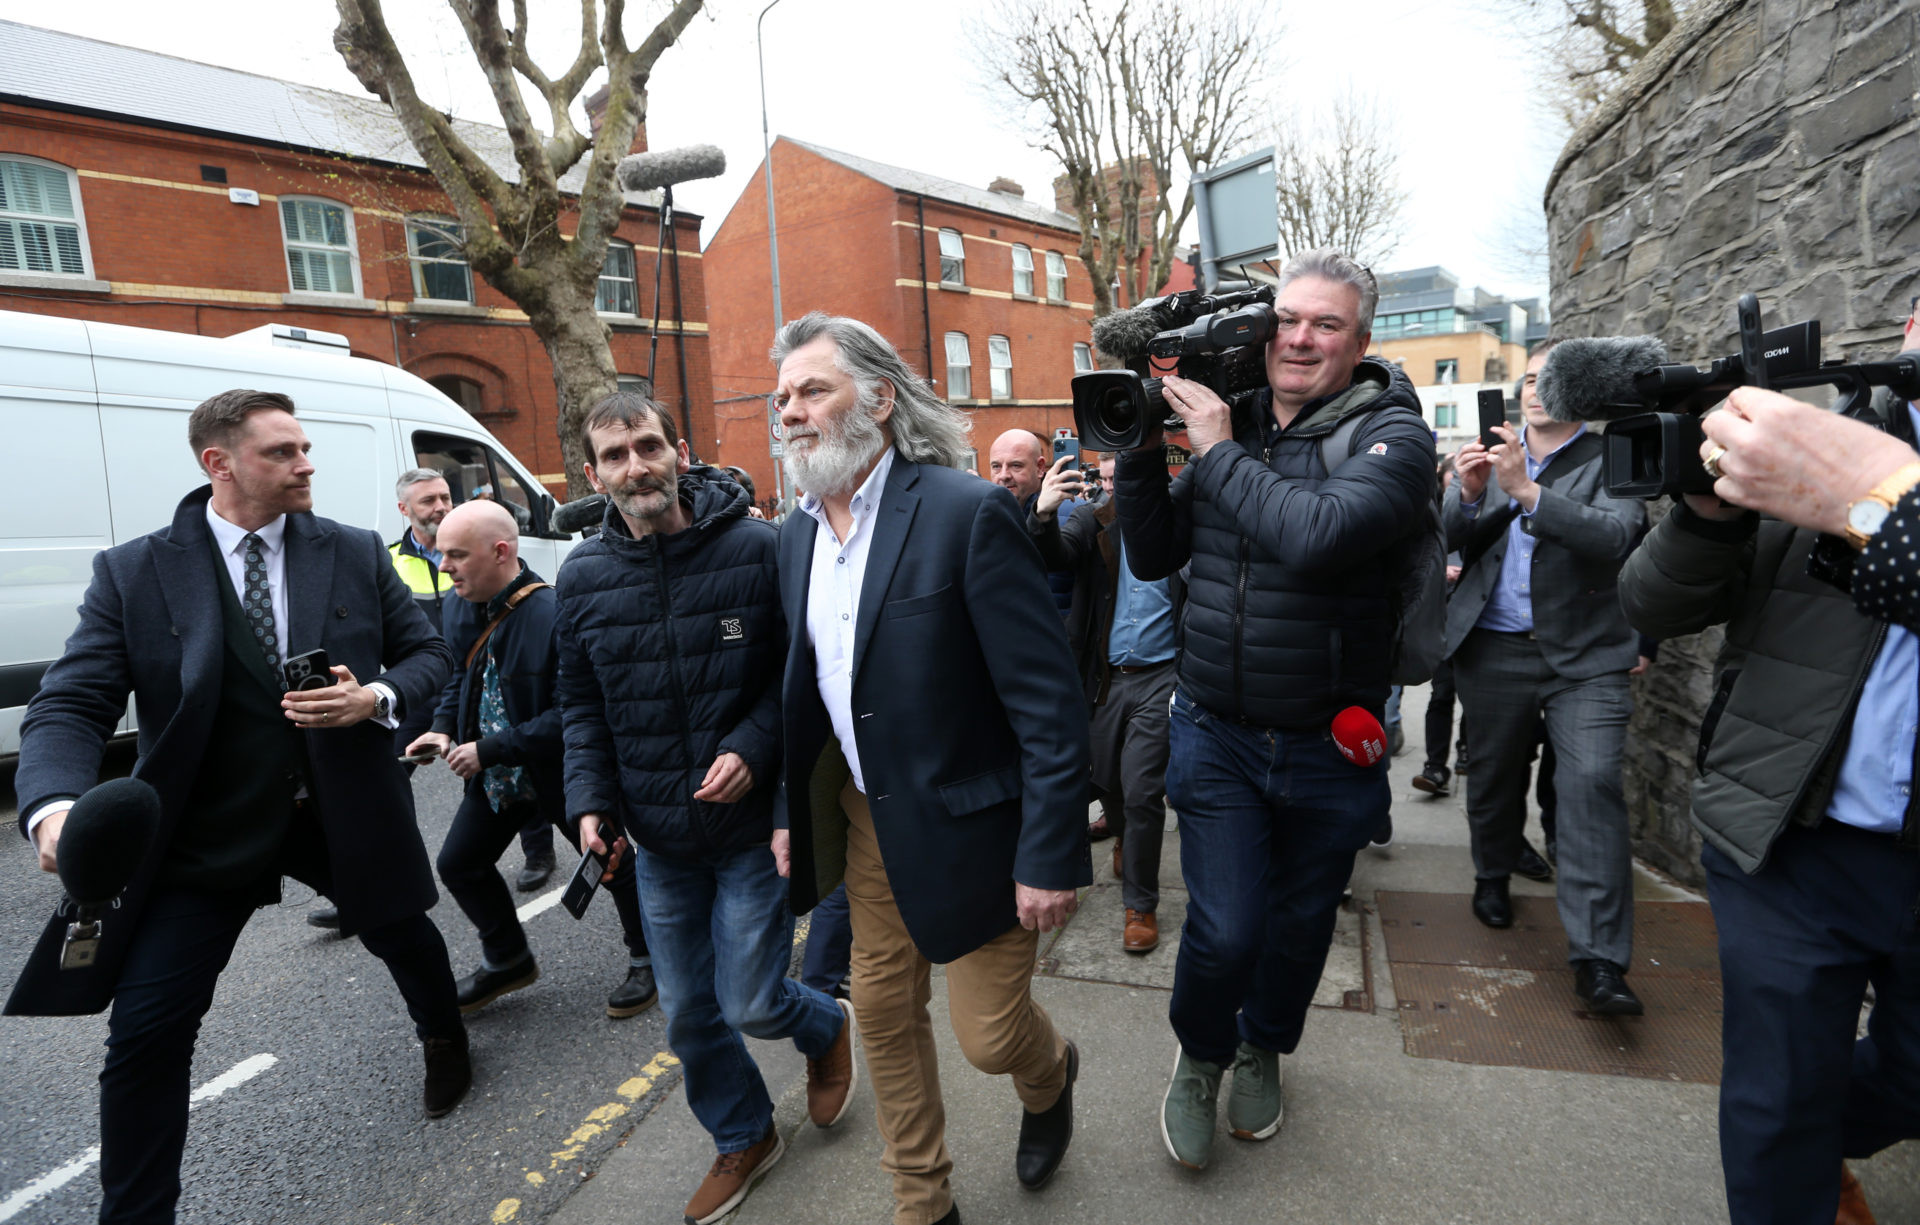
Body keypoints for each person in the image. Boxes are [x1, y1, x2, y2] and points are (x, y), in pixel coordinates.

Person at [12, 389, 466, 1223]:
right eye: (283, 452)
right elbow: (70, 703)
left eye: (304, 447)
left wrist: (376, 696)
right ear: (218, 463)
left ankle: (443, 1033)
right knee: (146, 1033)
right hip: (204, 827)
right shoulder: (136, 570)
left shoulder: (357, 550)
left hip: (343, 810)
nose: (307, 463)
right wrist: (54, 807)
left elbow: (428, 652)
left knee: (404, 930)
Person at [1113, 248, 1435, 1172]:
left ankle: (1263, 1046)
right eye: (1285, 320)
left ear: (1360, 340)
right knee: (1225, 928)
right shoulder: (1238, 420)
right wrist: (1140, 447)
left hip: (1332, 740)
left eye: (1324, 324)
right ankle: (1202, 1055)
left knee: (1298, 930)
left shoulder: (1394, 436)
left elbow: (1318, 534)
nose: (1297, 338)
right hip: (1213, 727)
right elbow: (1153, 550)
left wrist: (1212, 449)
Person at [771, 312, 1091, 1225]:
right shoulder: (793, 536)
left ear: (877, 398)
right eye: (784, 395)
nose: (791, 412)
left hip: (978, 829)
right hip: (867, 819)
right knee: (879, 1005)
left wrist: (1051, 851)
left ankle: (1051, 1071)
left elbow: (1047, 700)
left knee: (989, 1037)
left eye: (813, 390)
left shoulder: (964, 511)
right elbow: (811, 694)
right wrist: (795, 810)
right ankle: (923, 1200)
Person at [1622, 314, 1920, 1225]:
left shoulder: (1852, 465)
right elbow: (1652, 601)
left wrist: (1873, 504)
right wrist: (1707, 511)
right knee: (1776, 1097)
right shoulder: (1822, 432)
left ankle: (1831, 1138)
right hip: (1790, 838)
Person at [556, 391, 855, 1225]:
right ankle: (744, 1132)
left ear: (679, 451)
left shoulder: (756, 547)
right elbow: (581, 705)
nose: (635, 467)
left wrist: (755, 747)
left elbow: (800, 674)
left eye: (647, 446)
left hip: (750, 830)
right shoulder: (581, 575)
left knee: (754, 1001)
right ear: (593, 473)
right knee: (689, 1013)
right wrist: (589, 803)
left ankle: (825, 1023)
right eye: (614, 456)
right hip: (658, 839)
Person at [1445, 342, 1646, 1012]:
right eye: (1529, 378)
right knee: (1496, 774)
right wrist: (1470, 495)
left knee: (1590, 784)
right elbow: (1443, 533)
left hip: (1587, 656)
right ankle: (1492, 871)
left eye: (1551, 379)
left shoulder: (1611, 454)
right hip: (1494, 647)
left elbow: (1616, 536)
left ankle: (1599, 960)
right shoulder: (1490, 448)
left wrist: (1527, 492)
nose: (1537, 389)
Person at [406, 499, 657, 1021]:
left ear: (500, 552)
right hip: (499, 778)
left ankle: (648, 958)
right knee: (460, 864)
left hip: (561, 772)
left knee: (610, 864)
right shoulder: (459, 603)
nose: (443, 566)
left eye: (455, 555)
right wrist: (441, 728)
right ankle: (508, 959)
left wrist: (489, 749)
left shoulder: (553, 613)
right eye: (440, 554)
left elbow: (577, 714)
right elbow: (462, 676)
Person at [1031, 453, 1183, 952]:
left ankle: (1140, 905)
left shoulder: (1181, 525)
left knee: (1143, 791)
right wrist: (1044, 514)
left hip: (1160, 677)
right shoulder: (1091, 518)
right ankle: (1120, 833)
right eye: (1114, 480)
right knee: (1106, 780)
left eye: (1132, 478)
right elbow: (1057, 556)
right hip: (1103, 677)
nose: (1120, 489)